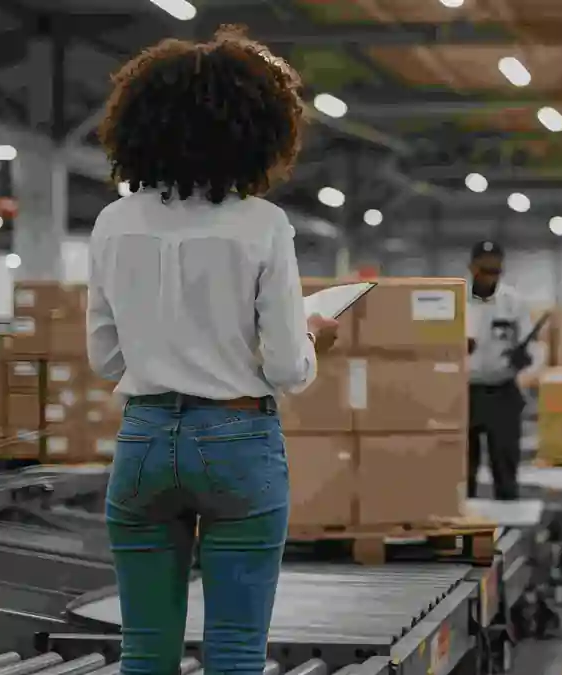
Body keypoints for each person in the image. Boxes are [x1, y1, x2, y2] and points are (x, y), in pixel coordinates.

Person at [88, 26, 339, 675]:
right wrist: (314, 332)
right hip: (236, 442)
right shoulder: (261, 225)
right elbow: (287, 368)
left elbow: (106, 360)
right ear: (257, 131)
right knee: (234, 650)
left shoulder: (114, 223)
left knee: (144, 651)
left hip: (143, 443)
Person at [466, 240, 532, 501]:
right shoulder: (454, 299)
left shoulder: (513, 302)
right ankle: (463, 521)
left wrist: (523, 358)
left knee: (505, 466)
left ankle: (507, 520)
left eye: (496, 271)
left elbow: (530, 346)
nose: (490, 277)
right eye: (485, 271)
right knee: (462, 469)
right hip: (464, 392)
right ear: (472, 268)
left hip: (502, 392)